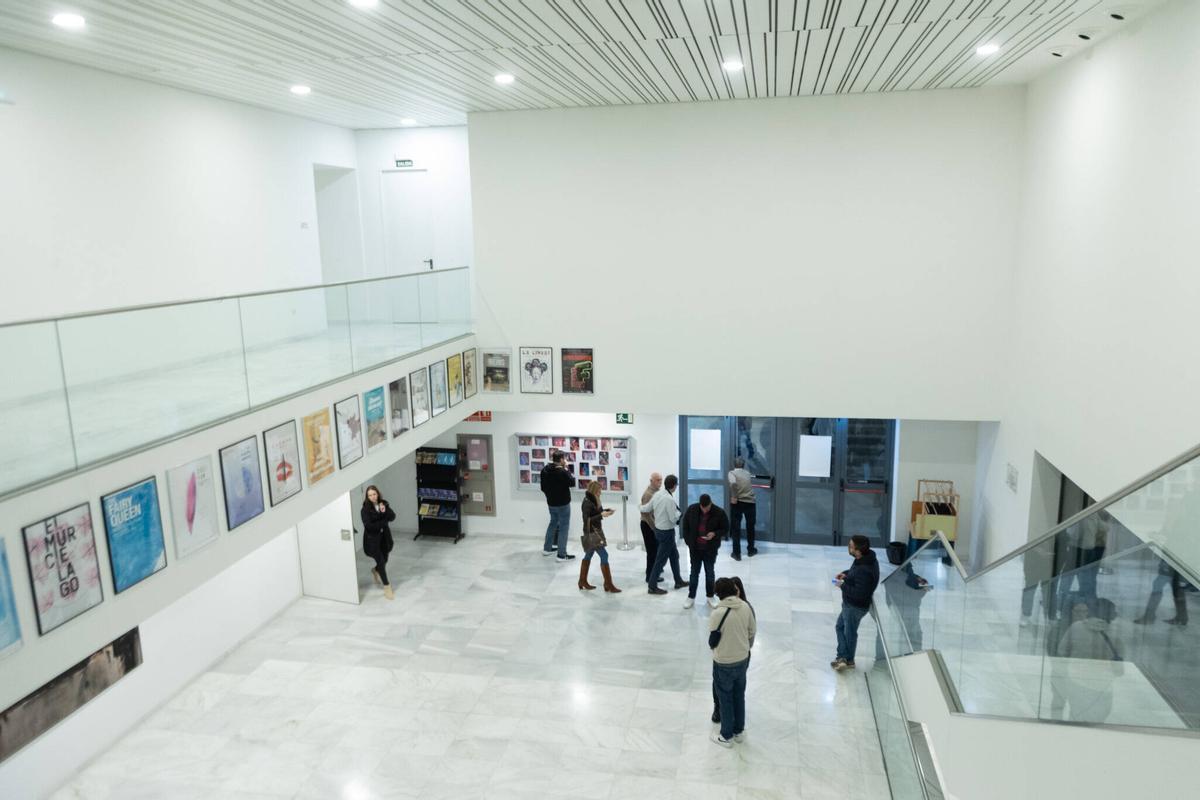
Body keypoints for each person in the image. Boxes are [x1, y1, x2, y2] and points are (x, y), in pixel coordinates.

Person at [709, 577, 756, 747]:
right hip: (742, 659)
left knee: (725, 698)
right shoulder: (745, 607)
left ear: (719, 594)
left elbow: (713, 635)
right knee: (739, 695)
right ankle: (739, 731)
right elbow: (752, 631)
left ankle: (726, 735)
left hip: (723, 663)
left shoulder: (717, 613)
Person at [831, 534, 880, 671]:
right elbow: (855, 573)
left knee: (850, 632)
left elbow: (859, 593)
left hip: (854, 607)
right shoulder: (863, 559)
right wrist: (846, 574)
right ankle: (843, 657)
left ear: (858, 550)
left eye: (851, 546)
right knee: (840, 627)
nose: (849, 548)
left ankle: (848, 660)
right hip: (850, 605)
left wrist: (842, 585)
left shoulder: (865, 569)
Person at [640, 474, 686, 595]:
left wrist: (639, 506)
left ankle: (678, 581)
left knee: (674, 556)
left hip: (659, 531)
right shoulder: (669, 499)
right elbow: (672, 519)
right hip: (667, 533)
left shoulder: (657, 494)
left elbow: (646, 508)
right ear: (674, 486)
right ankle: (652, 586)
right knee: (659, 560)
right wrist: (679, 515)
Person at [681, 494, 729, 609]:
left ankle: (710, 596)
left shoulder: (719, 512)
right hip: (695, 549)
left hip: (710, 549)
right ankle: (691, 596)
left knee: (710, 573)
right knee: (694, 574)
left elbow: (725, 528)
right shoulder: (692, 509)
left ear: (710, 503)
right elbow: (685, 526)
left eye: (707, 508)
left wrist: (715, 534)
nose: (705, 510)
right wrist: (689, 542)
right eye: (703, 508)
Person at [579, 481, 620, 593]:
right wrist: (601, 515)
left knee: (589, 555)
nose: (600, 493)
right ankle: (608, 584)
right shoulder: (587, 503)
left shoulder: (593, 500)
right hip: (592, 533)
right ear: (594, 491)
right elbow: (587, 520)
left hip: (595, 532)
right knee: (604, 555)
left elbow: (597, 512)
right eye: (599, 491)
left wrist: (606, 511)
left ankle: (582, 581)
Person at [361, 485, 396, 600]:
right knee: (381, 561)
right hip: (372, 540)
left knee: (385, 560)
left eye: (374, 494)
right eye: (370, 495)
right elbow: (369, 526)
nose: (373, 497)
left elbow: (393, 517)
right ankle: (387, 587)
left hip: (384, 538)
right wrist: (384, 522)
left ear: (378, 494)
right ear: (367, 497)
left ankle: (375, 570)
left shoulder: (384, 504)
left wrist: (384, 511)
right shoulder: (365, 509)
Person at [540, 452, 575, 560]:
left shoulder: (545, 470)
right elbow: (572, 482)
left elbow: (543, 488)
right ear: (561, 459)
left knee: (553, 523)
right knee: (564, 527)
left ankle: (547, 549)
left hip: (551, 503)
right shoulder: (562, 472)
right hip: (563, 504)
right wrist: (567, 468)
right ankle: (561, 555)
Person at [1135, 561, 1189, 626]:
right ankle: (1181, 618)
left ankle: (1149, 616)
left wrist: (1164, 566)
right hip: (1173, 568)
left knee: (1159, 586)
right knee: (1176, 590)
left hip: (1171, 568)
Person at [727, 457, 757, 560]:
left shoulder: (732, 473)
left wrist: (734, 496)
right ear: (743, 465)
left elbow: (733, 483)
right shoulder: (747, 473)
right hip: (750, 502)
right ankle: (751, 550)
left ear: (734, 465)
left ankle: (737, 554)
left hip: (738, 503)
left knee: (736, 528)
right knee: (750, 527)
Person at [639, 473, 662, 583]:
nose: (660, 482)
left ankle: (653, 573)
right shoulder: (648, 494)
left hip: (653, 525)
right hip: (648, 526)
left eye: (661, 480)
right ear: (651, 481)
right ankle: (650, 576)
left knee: (655, 551)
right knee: (652, 552)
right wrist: (655, 528)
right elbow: (646, 514)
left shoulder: (656, 492)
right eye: (658, 480)